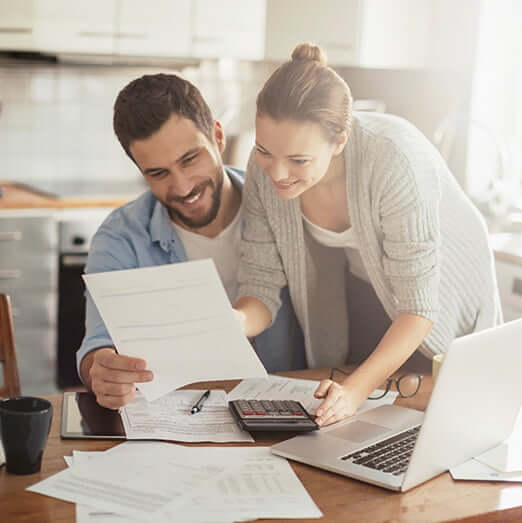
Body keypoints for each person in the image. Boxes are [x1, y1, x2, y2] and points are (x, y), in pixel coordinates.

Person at [234, 43, 502, 427]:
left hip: (442, 286)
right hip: (366, 275)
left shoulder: (394, 159)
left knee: (432, 404)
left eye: (299, 160)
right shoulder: (266, 169)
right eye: (264, 151)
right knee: (358, 407)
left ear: (340, 141)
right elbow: (259, 285)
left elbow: (418, 307)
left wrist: (356, 391)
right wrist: (234, 321)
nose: (276, 173)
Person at [76, 73, 304, 409]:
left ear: (218, 135)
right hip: (177, 416)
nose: (182, 187)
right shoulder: (121, 236)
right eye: (158, 173)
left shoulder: (281, 207)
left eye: (190, 159)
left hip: (286, 410)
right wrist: (103, 371)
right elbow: (98, 344)